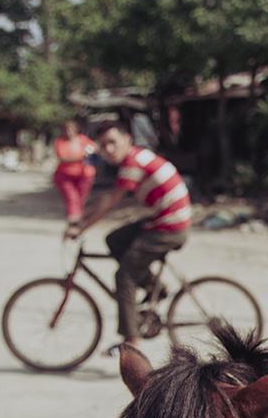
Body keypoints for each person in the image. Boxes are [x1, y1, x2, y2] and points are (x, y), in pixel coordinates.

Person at [67, 122, 191, 347]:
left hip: (169, 226)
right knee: (115, 239)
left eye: (113, 143)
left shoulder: (134, 161)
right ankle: (155, 288)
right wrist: (80, 220)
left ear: (128, 139)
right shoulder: (134, 158)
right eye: (103, 146)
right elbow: (106, 198)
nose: (109, 150)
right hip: (162, 220)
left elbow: (111, 200)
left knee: (125, 276)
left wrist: (81, 227)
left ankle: (131, 341)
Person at [52, 119, 94, 225]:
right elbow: (63, 158)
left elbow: (94, 148)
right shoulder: (60, 142)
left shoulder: (83, 140)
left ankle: (79, 220)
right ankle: (73, 220)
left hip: (84, 175)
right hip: (65, 175)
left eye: (71, 129)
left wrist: (90, 153)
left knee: (81, 198)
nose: (68, 131)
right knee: (72, 197)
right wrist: (81, 157)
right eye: (66, 129)